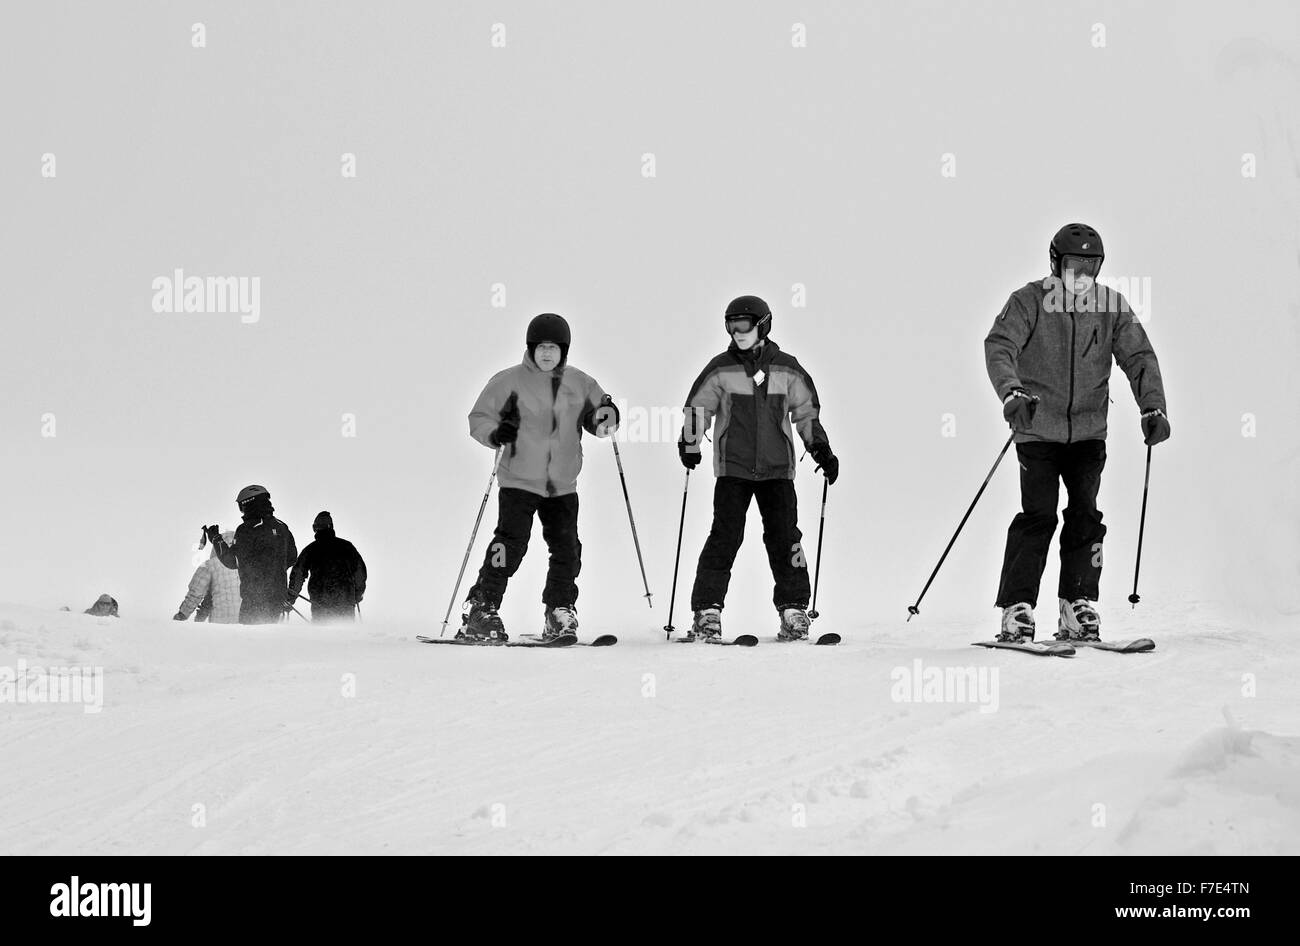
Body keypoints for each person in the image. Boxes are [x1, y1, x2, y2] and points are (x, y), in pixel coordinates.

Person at [984, 222, 1170, 644]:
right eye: (1073, 265)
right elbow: (999, 345)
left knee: (1085, 516)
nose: (1080, 275)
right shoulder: (1029, 301)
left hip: (1088, 431)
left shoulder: (1111, 307)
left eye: (1089, 266)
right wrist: (1012, 393)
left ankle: (1077, 605)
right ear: (1056, 263)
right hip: (1038, 430)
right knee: (1039, 517)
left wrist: (1153, 406)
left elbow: (1138, 356)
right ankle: (1017, 609)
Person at [678, 295, 838, 642]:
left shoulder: (787, 368)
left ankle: (794, 610)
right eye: (730, 326)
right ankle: (707, 612)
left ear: (762, 325)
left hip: (777, 471)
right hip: (733, 469)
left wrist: (820, 449)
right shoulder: (721, 368)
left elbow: (807, 412)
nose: (737, 332)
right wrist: (690, 442)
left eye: (744, 325)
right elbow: (698, 408)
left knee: (786, 540)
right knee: (725, 537)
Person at [462, 313, 619, 641]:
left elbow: (600, 416)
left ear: (565, 350)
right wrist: (495, 432)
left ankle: (559, 610)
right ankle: (481, 606)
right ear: (530, 349)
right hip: (518, 479)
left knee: (567, 549)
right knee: (509, 545)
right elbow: (479, 417)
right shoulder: (508, 381)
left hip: (562, 484)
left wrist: (607, 416)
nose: (547, 353)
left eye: (554, 348)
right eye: (541, 347)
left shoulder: (581, 382)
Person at [205, 485, 298, 625]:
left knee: (250, 643)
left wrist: (216, 539)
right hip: (278, 599)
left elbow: (231, 561)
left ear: (248, 503)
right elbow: (292, 557)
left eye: (241, 506)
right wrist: (274, 572)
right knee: (273, 642)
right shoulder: (282, 526)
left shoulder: (246, 530)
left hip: (254, 600)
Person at [287, 511, 367, 622]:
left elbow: (298, 574)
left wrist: (290, 597)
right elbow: (360, 573)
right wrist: (358, 594)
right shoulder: (347, 547)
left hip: (320, 603)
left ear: (316, 528)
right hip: (346, 603)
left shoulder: (311, 550)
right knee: (346, 636)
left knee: (323, 637)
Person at [174, 531, 240, 623]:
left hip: (219, 622)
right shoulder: (245, 564)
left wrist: (182, 614)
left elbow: (195, 593)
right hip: (245, 621)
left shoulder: (208, 566)